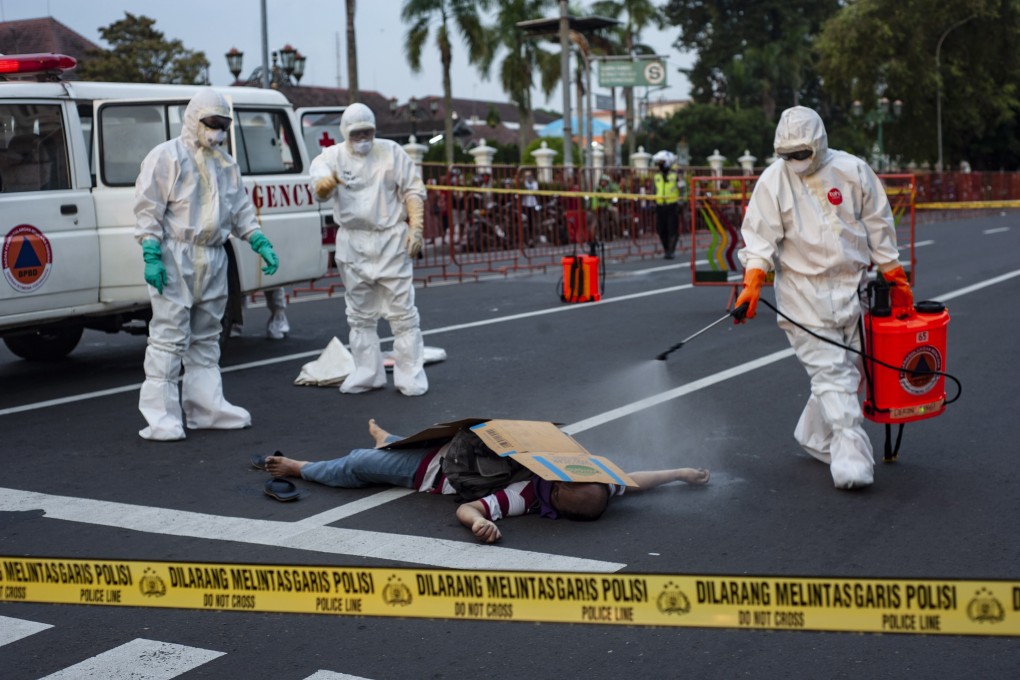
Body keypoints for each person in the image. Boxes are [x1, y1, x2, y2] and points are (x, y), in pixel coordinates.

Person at [734, 105, 914, 490]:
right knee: (832, 373)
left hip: (853, 288)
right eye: (788, 155)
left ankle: (814, 436)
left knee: (852, 369)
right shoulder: (773, 181)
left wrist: (893, 274)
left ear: (818, 144)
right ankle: (850, 459)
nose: (796, 162)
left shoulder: (853, 171)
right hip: (802, 293)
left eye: (802, 153)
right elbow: (759, 238)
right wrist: (752, 279)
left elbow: (879, 224)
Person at [261, 419, 710, 544]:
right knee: (395, 444)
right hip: (451, 450)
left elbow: (470, 507)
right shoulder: (587, 478)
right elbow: (632, 481)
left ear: (554, 493)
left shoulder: (525, 495)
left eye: (561, 483)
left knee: (360, 464)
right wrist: (679, 473)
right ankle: (387, 438)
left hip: (431, 473)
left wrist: (478, 524)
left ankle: (301, 467)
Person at [134, 88, 280, 441]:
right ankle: (161, 418)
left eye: (222, 125)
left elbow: (241, 210)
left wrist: (258, 239)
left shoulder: (225, 163)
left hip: (214, 256)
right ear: (194, 119)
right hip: (176, 254)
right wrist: (151, 252)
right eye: (210, 123)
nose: (216, 131)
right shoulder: (167, 156)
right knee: (169, 338)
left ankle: (205, 409)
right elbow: (148, 208)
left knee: (206, 338)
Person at [309, 103, 429, 396]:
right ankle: (368, 372)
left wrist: (416, 228)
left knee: (402, 312)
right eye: (356, 133)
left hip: (390, 240)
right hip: (353, 243)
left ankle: (410, 375)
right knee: (360, 313)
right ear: (345, 133)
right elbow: (319, 187)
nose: (363, 138)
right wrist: (329, 183)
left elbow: (412, 189)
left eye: (368, 132)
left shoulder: (391, 152)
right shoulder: (331, 156)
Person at [652, 150, 681, 259]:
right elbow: (654, 190)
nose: (660, 165)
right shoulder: (657, 176)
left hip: (672, 205)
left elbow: (683, 190)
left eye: (662, 163)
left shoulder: (675, 175)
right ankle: (666, 249)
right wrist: (653, 203)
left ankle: (671, 250)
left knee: (672, 229)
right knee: (661, 229)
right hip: (660, 206)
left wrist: (681, 203)